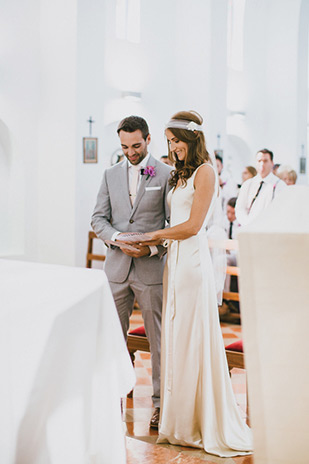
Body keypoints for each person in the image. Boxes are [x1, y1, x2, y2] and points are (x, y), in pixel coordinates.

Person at [139, 111, 252, 457]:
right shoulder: (179, 174)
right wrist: (150, 242)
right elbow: (174, 221)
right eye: (170, 142)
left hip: (192, 260)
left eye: (177, 141)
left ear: (192, 140)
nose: (173, 148)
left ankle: (198, 422)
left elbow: (192, 225)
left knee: (192, 335)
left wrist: (155, 234)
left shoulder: (206, 171)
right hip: (174, 259)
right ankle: (179, 422)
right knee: (177, 335)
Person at [91, 116, 172, 428]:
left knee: (158, 342)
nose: (131, 152)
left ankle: (160, 406)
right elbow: (98, 218)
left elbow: (171, 226)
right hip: (116, 270)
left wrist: (150, 248)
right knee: (112, 338)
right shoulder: (110, 174)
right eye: (125, 146)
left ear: (148, 140)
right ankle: (112, 399)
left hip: (151, 270)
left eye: (136, 145)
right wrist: (118, 239)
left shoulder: (165, 174)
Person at [236, 148, 286, 226]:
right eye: (259, 161)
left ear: (272, 163)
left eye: (265, 161)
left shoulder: (280, 185)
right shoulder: (248, 184)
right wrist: (247, 223)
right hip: (249, 228)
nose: (262, 164)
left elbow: (280, 210)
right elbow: (240, 208)